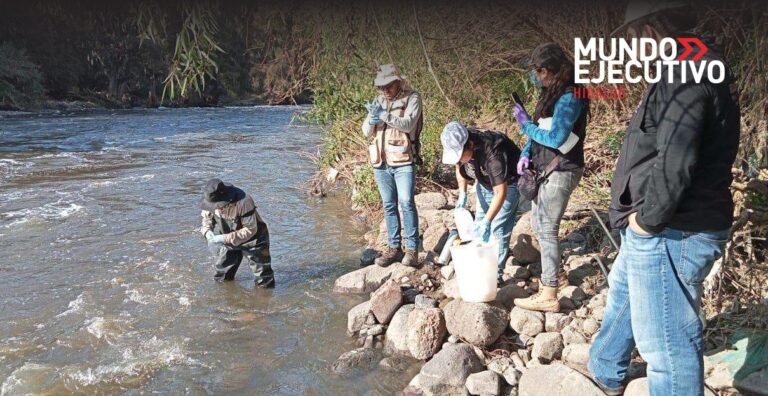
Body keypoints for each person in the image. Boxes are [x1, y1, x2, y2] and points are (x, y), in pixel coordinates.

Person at [587, 2, 740, 395]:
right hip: (664, 222)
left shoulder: (687, 71)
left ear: (653, 29)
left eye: (636, 37)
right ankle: (604, 371)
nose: (635, 47)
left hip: (675, 228)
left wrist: (647, 221)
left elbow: (678, 159)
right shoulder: (690, 63)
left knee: (667, 345)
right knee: (623, 292)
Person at [511, 42, 589, 313]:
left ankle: (548, 292)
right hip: (545, 167)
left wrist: (525, 125)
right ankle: (554, 277)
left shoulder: (570, 96)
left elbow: (555, 137)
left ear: (550, 70)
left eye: (538, 71)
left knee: (547, 229)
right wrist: (525, 153)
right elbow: (537, 133)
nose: (535, 76)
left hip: (562, 169)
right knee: (539, 223)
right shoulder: (550, 92)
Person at [440, 121, 522, 284]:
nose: (459, 160)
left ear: (470, 144)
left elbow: (501, 192)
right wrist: (462, 195)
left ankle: (494, 274)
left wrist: (488, 221)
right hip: (484, 183)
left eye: (460, 155)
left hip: (509, 184)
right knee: (478, 226)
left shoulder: (493, 153)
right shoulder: (460, 143)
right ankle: (480, 266)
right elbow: (460, 170)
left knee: (497, 228)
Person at [362, 64, 423, 267]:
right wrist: (372, 120)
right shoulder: (378, 100)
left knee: (406, 202)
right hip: (380, 162)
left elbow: (408, 124)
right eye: (381, 87)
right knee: (388, 205)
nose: (385, 90)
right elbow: (366, 132)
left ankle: (412, 250)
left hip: (404, 160)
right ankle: (393, 248)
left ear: (398, 82)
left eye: (388, 85)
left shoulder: (412, 97)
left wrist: (384, 115)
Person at [200, 178, 274, 288]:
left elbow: (250, 230)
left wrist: (222, 238)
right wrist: (207, 231)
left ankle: (264, 301)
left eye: (218, 206)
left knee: (263, 278)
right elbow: (206, 219)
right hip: (228, 238)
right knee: (222, 275)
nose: (216, 208)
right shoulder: (210, 200)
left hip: (254, 239)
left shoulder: (244, 201)